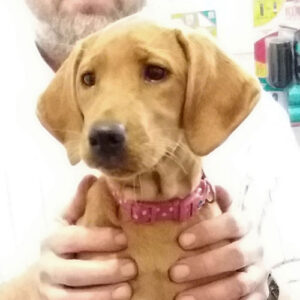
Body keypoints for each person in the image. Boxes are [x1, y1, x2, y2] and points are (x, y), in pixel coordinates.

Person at [0, 0, 299, 299]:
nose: (106, 124)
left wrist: (266, 289)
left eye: (155, 73)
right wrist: (28, 291)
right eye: (89, 79)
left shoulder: (254, 119)